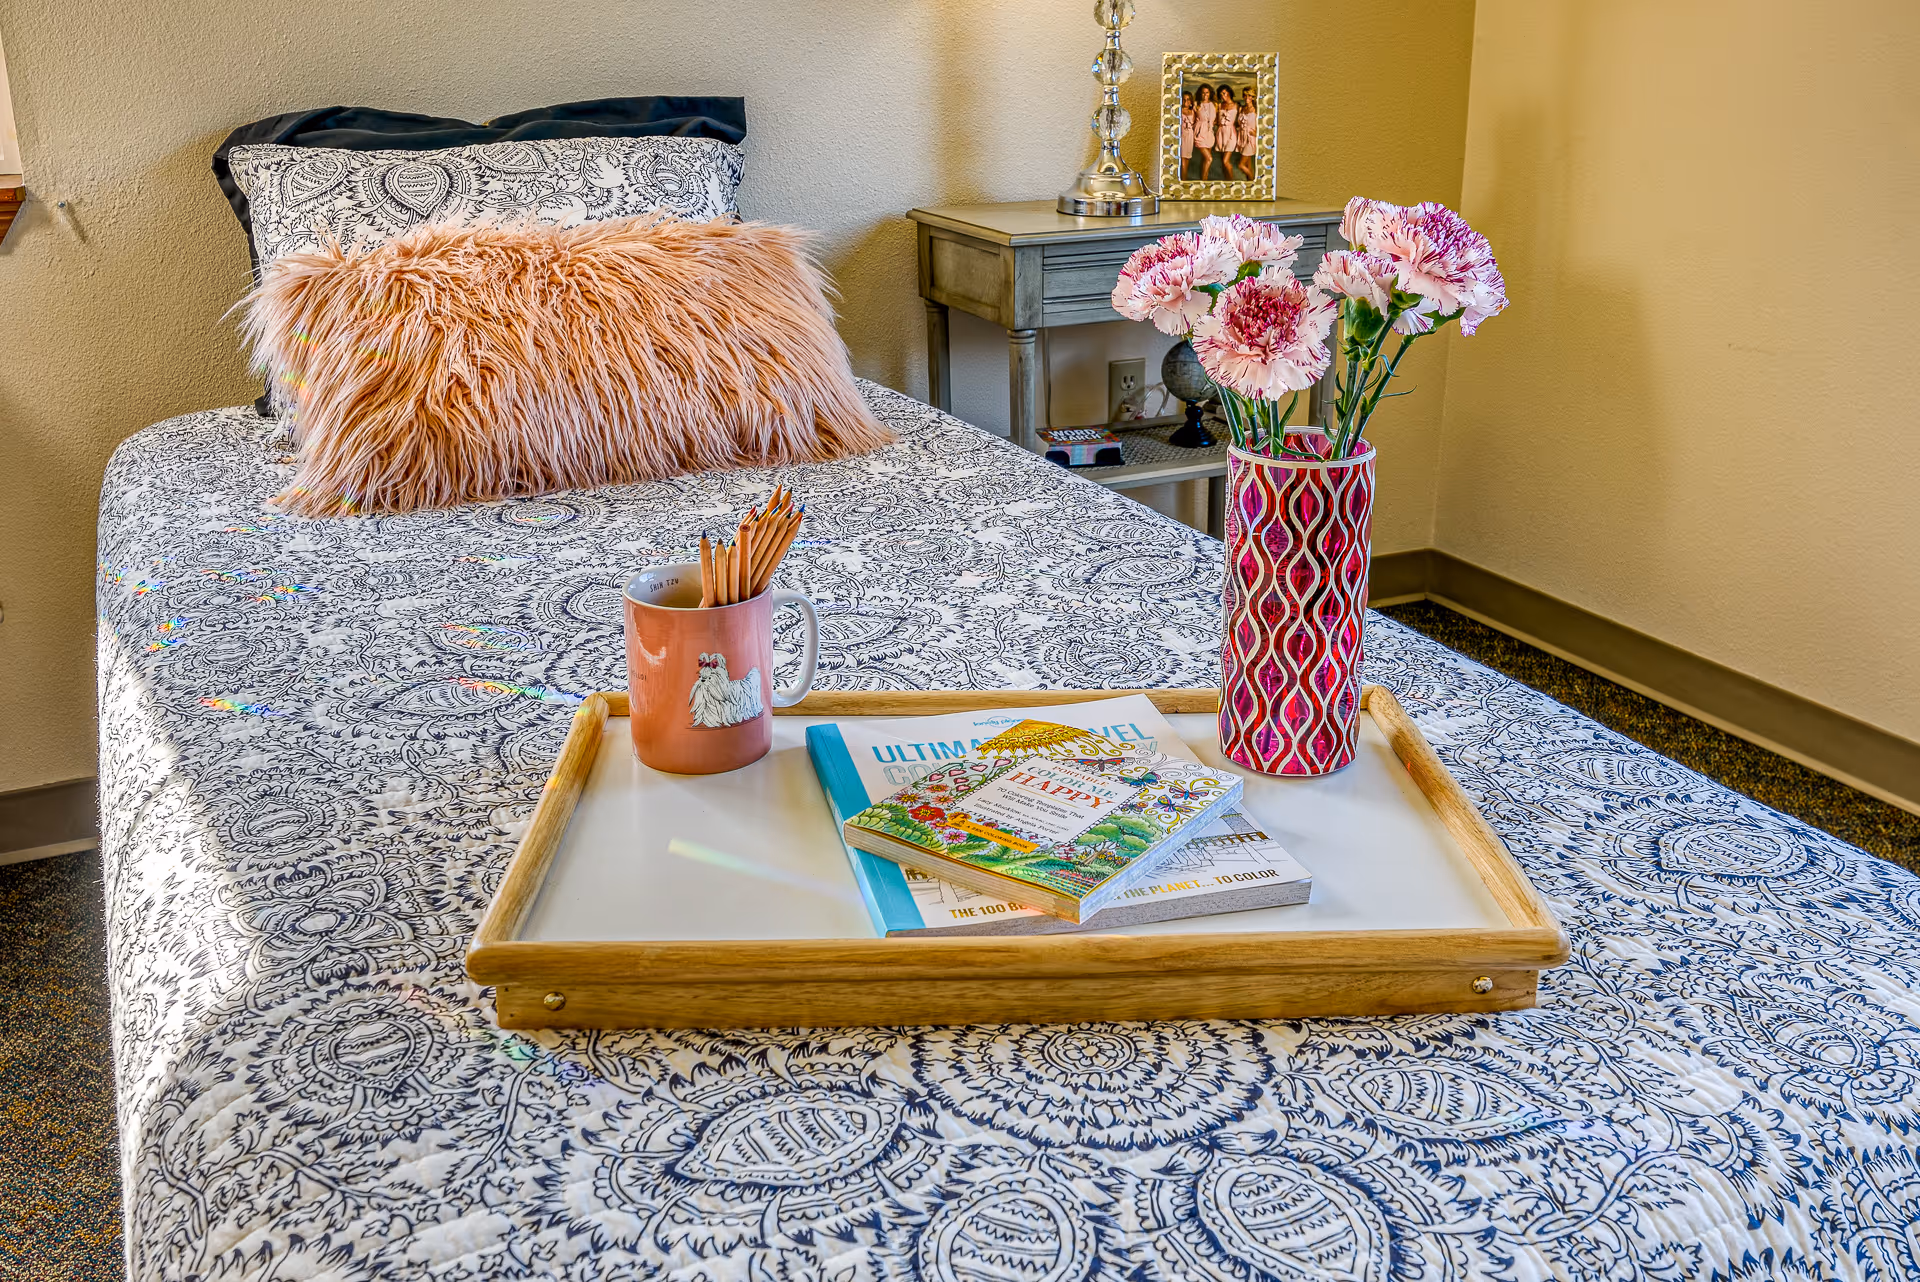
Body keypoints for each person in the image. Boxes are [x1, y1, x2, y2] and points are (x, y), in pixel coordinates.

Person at [1192, 84, 1217, 182]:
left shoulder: (1214, 104)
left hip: (1210, 134)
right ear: (1200, 93)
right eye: (1203, 93)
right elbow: (1192, 119)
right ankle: (1204, 182)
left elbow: (1215, 119)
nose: (1205, 94)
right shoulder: (1196, 104)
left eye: (1207, 92)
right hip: (1200, 133)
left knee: (1206, 160)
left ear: (1210, 93)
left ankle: (1204, 181)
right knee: (1209, 158)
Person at [1233, 88, 1258, 181]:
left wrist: (1256, 133)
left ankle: (1253, 182)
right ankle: (1249, 184)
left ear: (1253, 97)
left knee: (1241, 165)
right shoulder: (1241, 109)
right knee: (1248, 166)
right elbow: (1238, 124)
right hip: (1242, 137)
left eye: (1250, 95)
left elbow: (1262, 125)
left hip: (1250, 138)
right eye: (1245, 95)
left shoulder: (1256, 110)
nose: (1247, 97)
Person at [1215, 87, 1239, 182]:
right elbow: (1217, 120)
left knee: (1226, 161)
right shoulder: (1220, 105)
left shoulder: (1236, 105)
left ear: (1229, 93)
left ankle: (1232, 182)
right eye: (1220, 94)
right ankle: (1226, 182)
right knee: (1223, 161)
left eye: (1224, 93)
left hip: (1231, 133)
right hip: (1220, 133)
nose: (1222, 96)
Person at [1179, 91, 1195, 179]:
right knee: (1182, 160)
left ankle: (1184, 179)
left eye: (1188, 99)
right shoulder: (1178, 111)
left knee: (1187, 159)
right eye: (1184, 99)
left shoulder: (1192, 112)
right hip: (1182, 136)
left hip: (1190, 136)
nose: (1186, 101)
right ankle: (1183, 181)